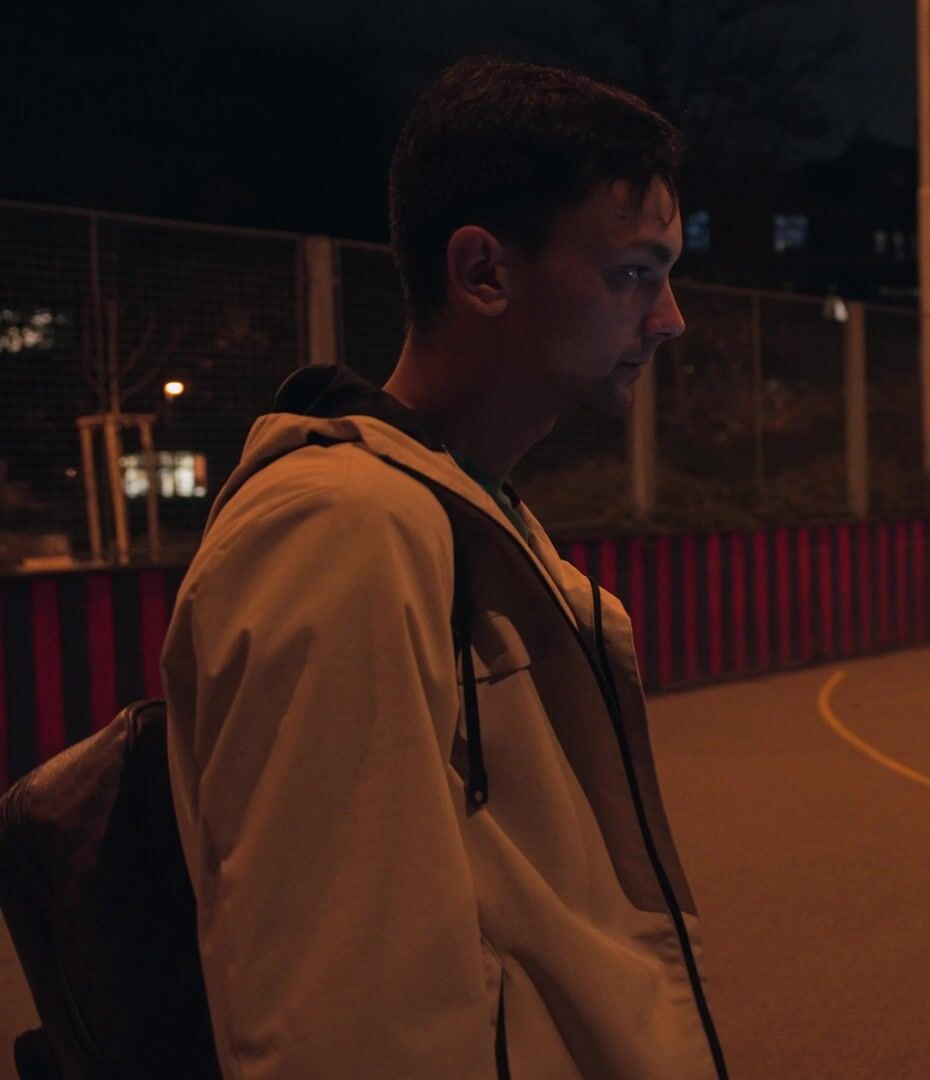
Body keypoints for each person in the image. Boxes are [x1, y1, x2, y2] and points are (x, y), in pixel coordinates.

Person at [163, 57, 727, 1078]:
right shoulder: (343, 528)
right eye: (635, 272)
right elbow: (341, 1016)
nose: (669, 317)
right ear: (483, 273)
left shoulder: (457, 510)